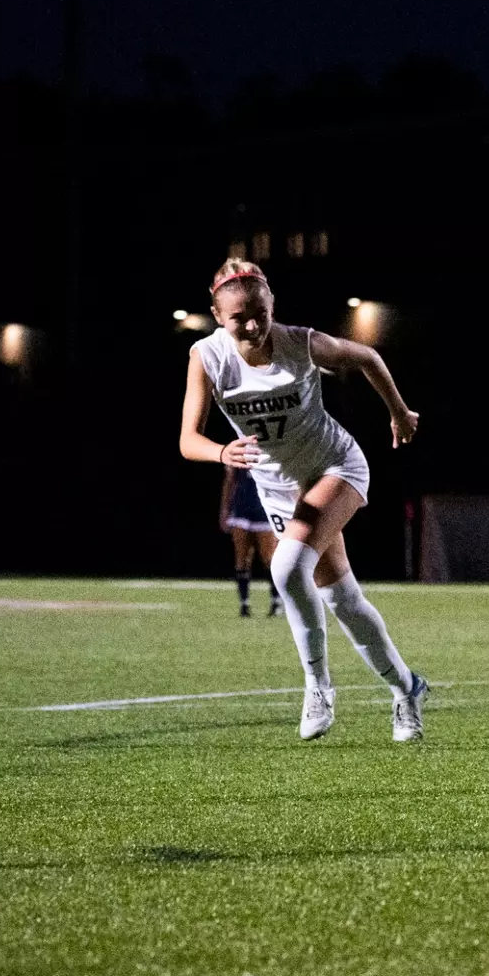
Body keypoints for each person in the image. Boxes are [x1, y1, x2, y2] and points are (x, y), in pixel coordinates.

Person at [178, 258, 430, 743]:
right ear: (216, 314)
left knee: (287, 567)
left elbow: (368, 358)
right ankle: (407, 688)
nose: (251, 325)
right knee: (344, 599)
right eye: (238, 317)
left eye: (260, 312)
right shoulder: (206, 356)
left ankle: (318, 688)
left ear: (272, 302)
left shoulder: (301, 342)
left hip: (336, 467)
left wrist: (399, 413)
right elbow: (188, 440)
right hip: (279, 488)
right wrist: (220, 451)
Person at [219, 465, 282, 617]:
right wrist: (225, 509)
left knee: (268, 558)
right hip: (241, 507)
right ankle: (244, 604)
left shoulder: (273, 449)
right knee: (242, 558)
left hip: (265, 509)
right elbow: (230, 479)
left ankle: (276, 602)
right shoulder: (240, 449)